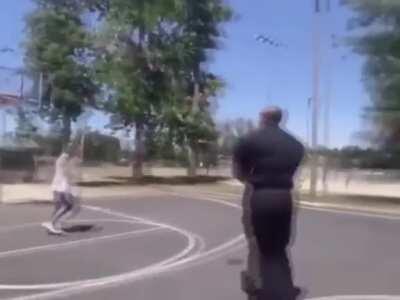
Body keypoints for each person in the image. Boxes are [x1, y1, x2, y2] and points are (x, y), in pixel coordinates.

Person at [233, 106, 305, 300]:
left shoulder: (249, 140)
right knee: (280, 245)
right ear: (280, 119)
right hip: (284, 197)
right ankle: (284, 287)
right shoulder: (296, 145)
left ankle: (261, 287)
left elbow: (239, 173)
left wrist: (253, 179)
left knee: (258, 244)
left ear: (263, 118)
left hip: (260, 195)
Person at [42, 146, 81, 235]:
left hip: (58, 185)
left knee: (59, 207)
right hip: (61, 186)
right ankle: (52, 223)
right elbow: (66, 173)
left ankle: (55, 224)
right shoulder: (64, 160)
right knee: (66, 206)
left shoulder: (61, 159)